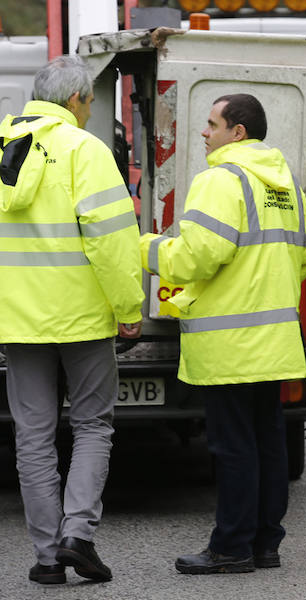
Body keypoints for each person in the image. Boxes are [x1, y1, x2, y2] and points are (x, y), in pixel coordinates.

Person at [140, 93, 306, 574]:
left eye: (212, 124)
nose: (203, 132)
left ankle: (231, 548)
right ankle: (265, 543)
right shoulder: (288, 188)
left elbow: (194, 258)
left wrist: (143, 248)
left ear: (237, 132)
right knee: (267, 443)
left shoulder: (220, 180)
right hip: (274, 343)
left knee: (233, 447)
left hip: (231, 347)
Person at [0, 55, 144, 585]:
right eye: (89, 103)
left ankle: (45, 558)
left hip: (16, 322)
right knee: (91, 425)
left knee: (32, 435)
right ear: (77, 99)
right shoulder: (86, 149)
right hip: (82, 319)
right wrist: (129, 310)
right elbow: (112, 243)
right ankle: (77, 536)